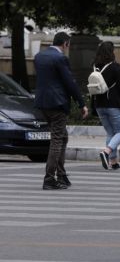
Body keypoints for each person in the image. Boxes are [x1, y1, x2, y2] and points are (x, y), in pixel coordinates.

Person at [34, 32, 89, 190]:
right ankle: (49, 178)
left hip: (42, 103)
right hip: (57, 104)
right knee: (57, 140)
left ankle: (62, 175)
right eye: (68, 45)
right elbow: (69, 83)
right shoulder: (60, 58)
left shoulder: (39, 57)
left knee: (62, 137)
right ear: (65, 43)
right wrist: (81, 103)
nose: (68, 48)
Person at [92, 41, 120, 170]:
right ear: (111, 52)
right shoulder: (115, 67)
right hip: (113, 105)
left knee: (111, 133)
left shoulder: (95, 66)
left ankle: (113, 163)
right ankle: (106, 152)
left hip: (99, 105)